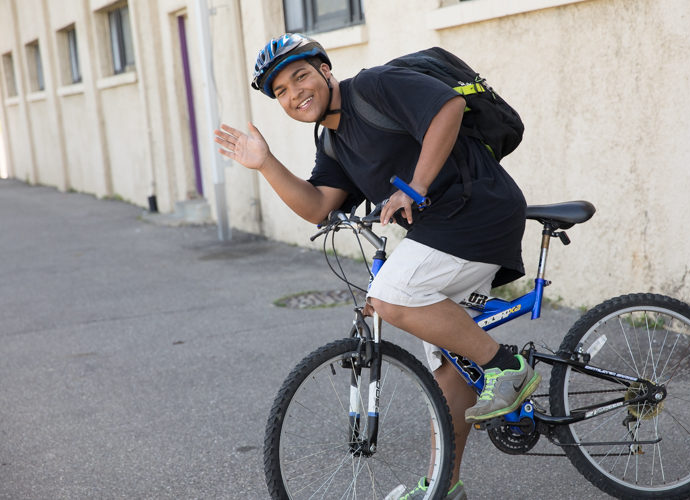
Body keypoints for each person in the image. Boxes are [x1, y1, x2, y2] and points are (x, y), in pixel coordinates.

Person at [213, 33, 540, 500]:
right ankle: (443, 488)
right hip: (443, 230)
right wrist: (266, 163)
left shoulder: (374, 87)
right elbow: (317, 205)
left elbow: (446, 108)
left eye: (300, 76)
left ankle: (507, 367)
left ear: (325, 71)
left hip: (477, 210)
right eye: (281, 91)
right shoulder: (332, 140)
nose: (294, 93)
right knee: (448, 365)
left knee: (389, 296)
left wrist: (414, 186)